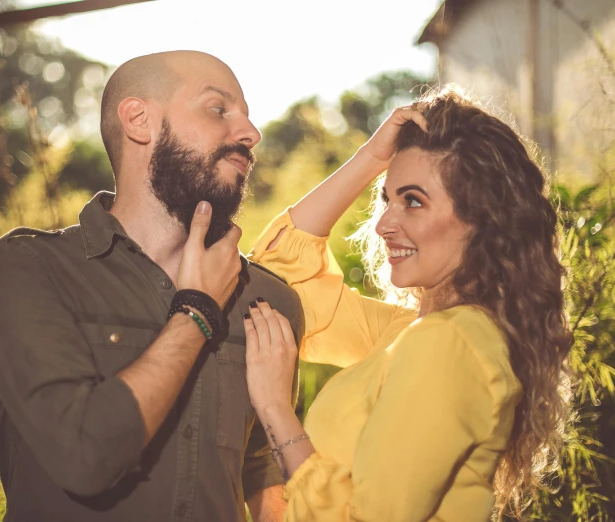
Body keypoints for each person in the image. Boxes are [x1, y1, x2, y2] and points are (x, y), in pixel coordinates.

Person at [0, 50, 303, 522]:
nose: (251, 134)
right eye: (218, 109)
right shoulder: (29, 269)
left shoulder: (272, 301)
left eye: (247, 117)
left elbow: (261, 472)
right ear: (139, 120)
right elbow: (82, 455)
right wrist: (197, 311)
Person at [242, 87, 573, 521]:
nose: (382, 225)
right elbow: (281, 284)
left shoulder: (448, 344)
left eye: (413, 201)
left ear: (482, 222)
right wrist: (370, 159)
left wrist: (274, 409)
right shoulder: (409, 333)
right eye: (387, 199)